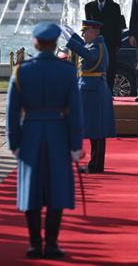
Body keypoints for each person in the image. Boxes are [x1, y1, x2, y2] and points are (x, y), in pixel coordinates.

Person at [6, 22, 83, 259]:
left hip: (30, 133)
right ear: (55, 44)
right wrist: (76, 145)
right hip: (58, 133)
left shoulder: (21, 71)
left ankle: (34, 244)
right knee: (57, 188)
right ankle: (51, 243)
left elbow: (11, 112)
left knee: (31, 189)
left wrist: (14, 143)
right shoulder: (68, 71)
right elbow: (75, 113)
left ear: (36, 43)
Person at [65, 20, 116, 173]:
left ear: (93, 32)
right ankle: (94, 163)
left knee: (98, 130)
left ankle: (97, 165)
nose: (83, 34)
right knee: (94, 130)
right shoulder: (94, 44)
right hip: (91, 91)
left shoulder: (98, 46)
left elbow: (88, 54)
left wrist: (70, 42)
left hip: (95, 91)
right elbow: (84, 46)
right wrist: (71, 36)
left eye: (84, 32)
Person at [85, 0, 123, 91]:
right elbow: (88, 25)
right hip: (95, 43)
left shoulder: (114, 7)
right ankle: (96, 90)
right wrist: (88, 42)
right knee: (95, 67)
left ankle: (109, 91)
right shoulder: (89, 6)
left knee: (110, 68)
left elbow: (117, 27)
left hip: (110, 42)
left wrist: (118, 44)